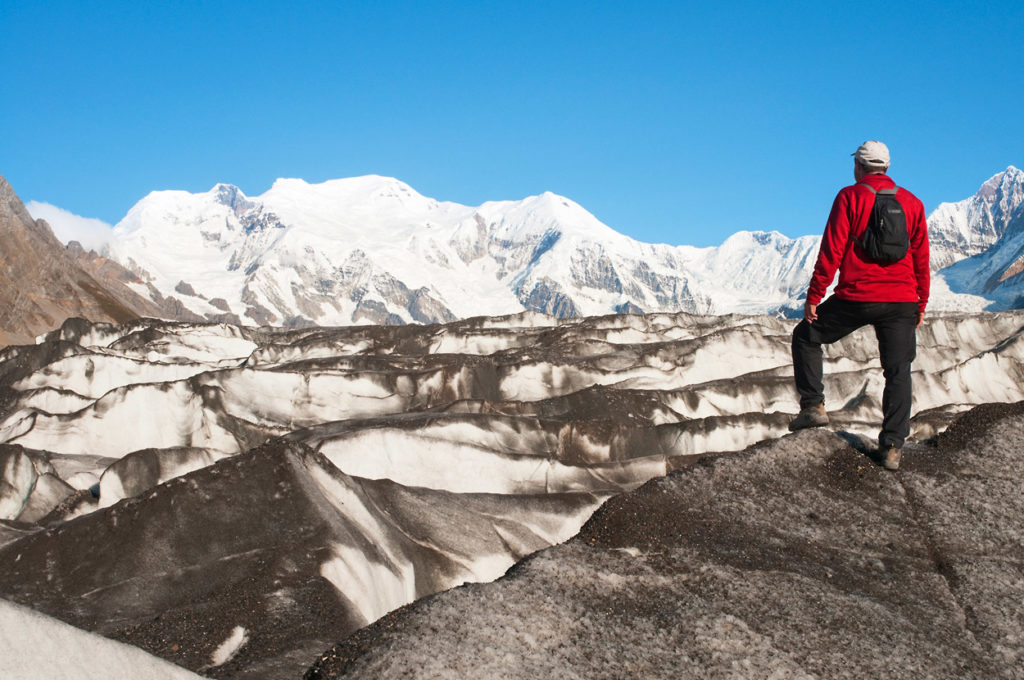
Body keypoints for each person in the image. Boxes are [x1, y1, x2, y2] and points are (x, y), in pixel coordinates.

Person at [789, 140, 930, 471]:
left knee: (806, 336)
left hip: (858, 296)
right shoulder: (912, 203)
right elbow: (921, 257)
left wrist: (815, 296)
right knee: (898, 371)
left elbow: (832, 251)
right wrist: (920, 301)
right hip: (901, 301)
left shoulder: (850, 197)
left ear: (859, 166)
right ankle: (893, 446)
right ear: (887, 167)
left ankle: (813, 408)